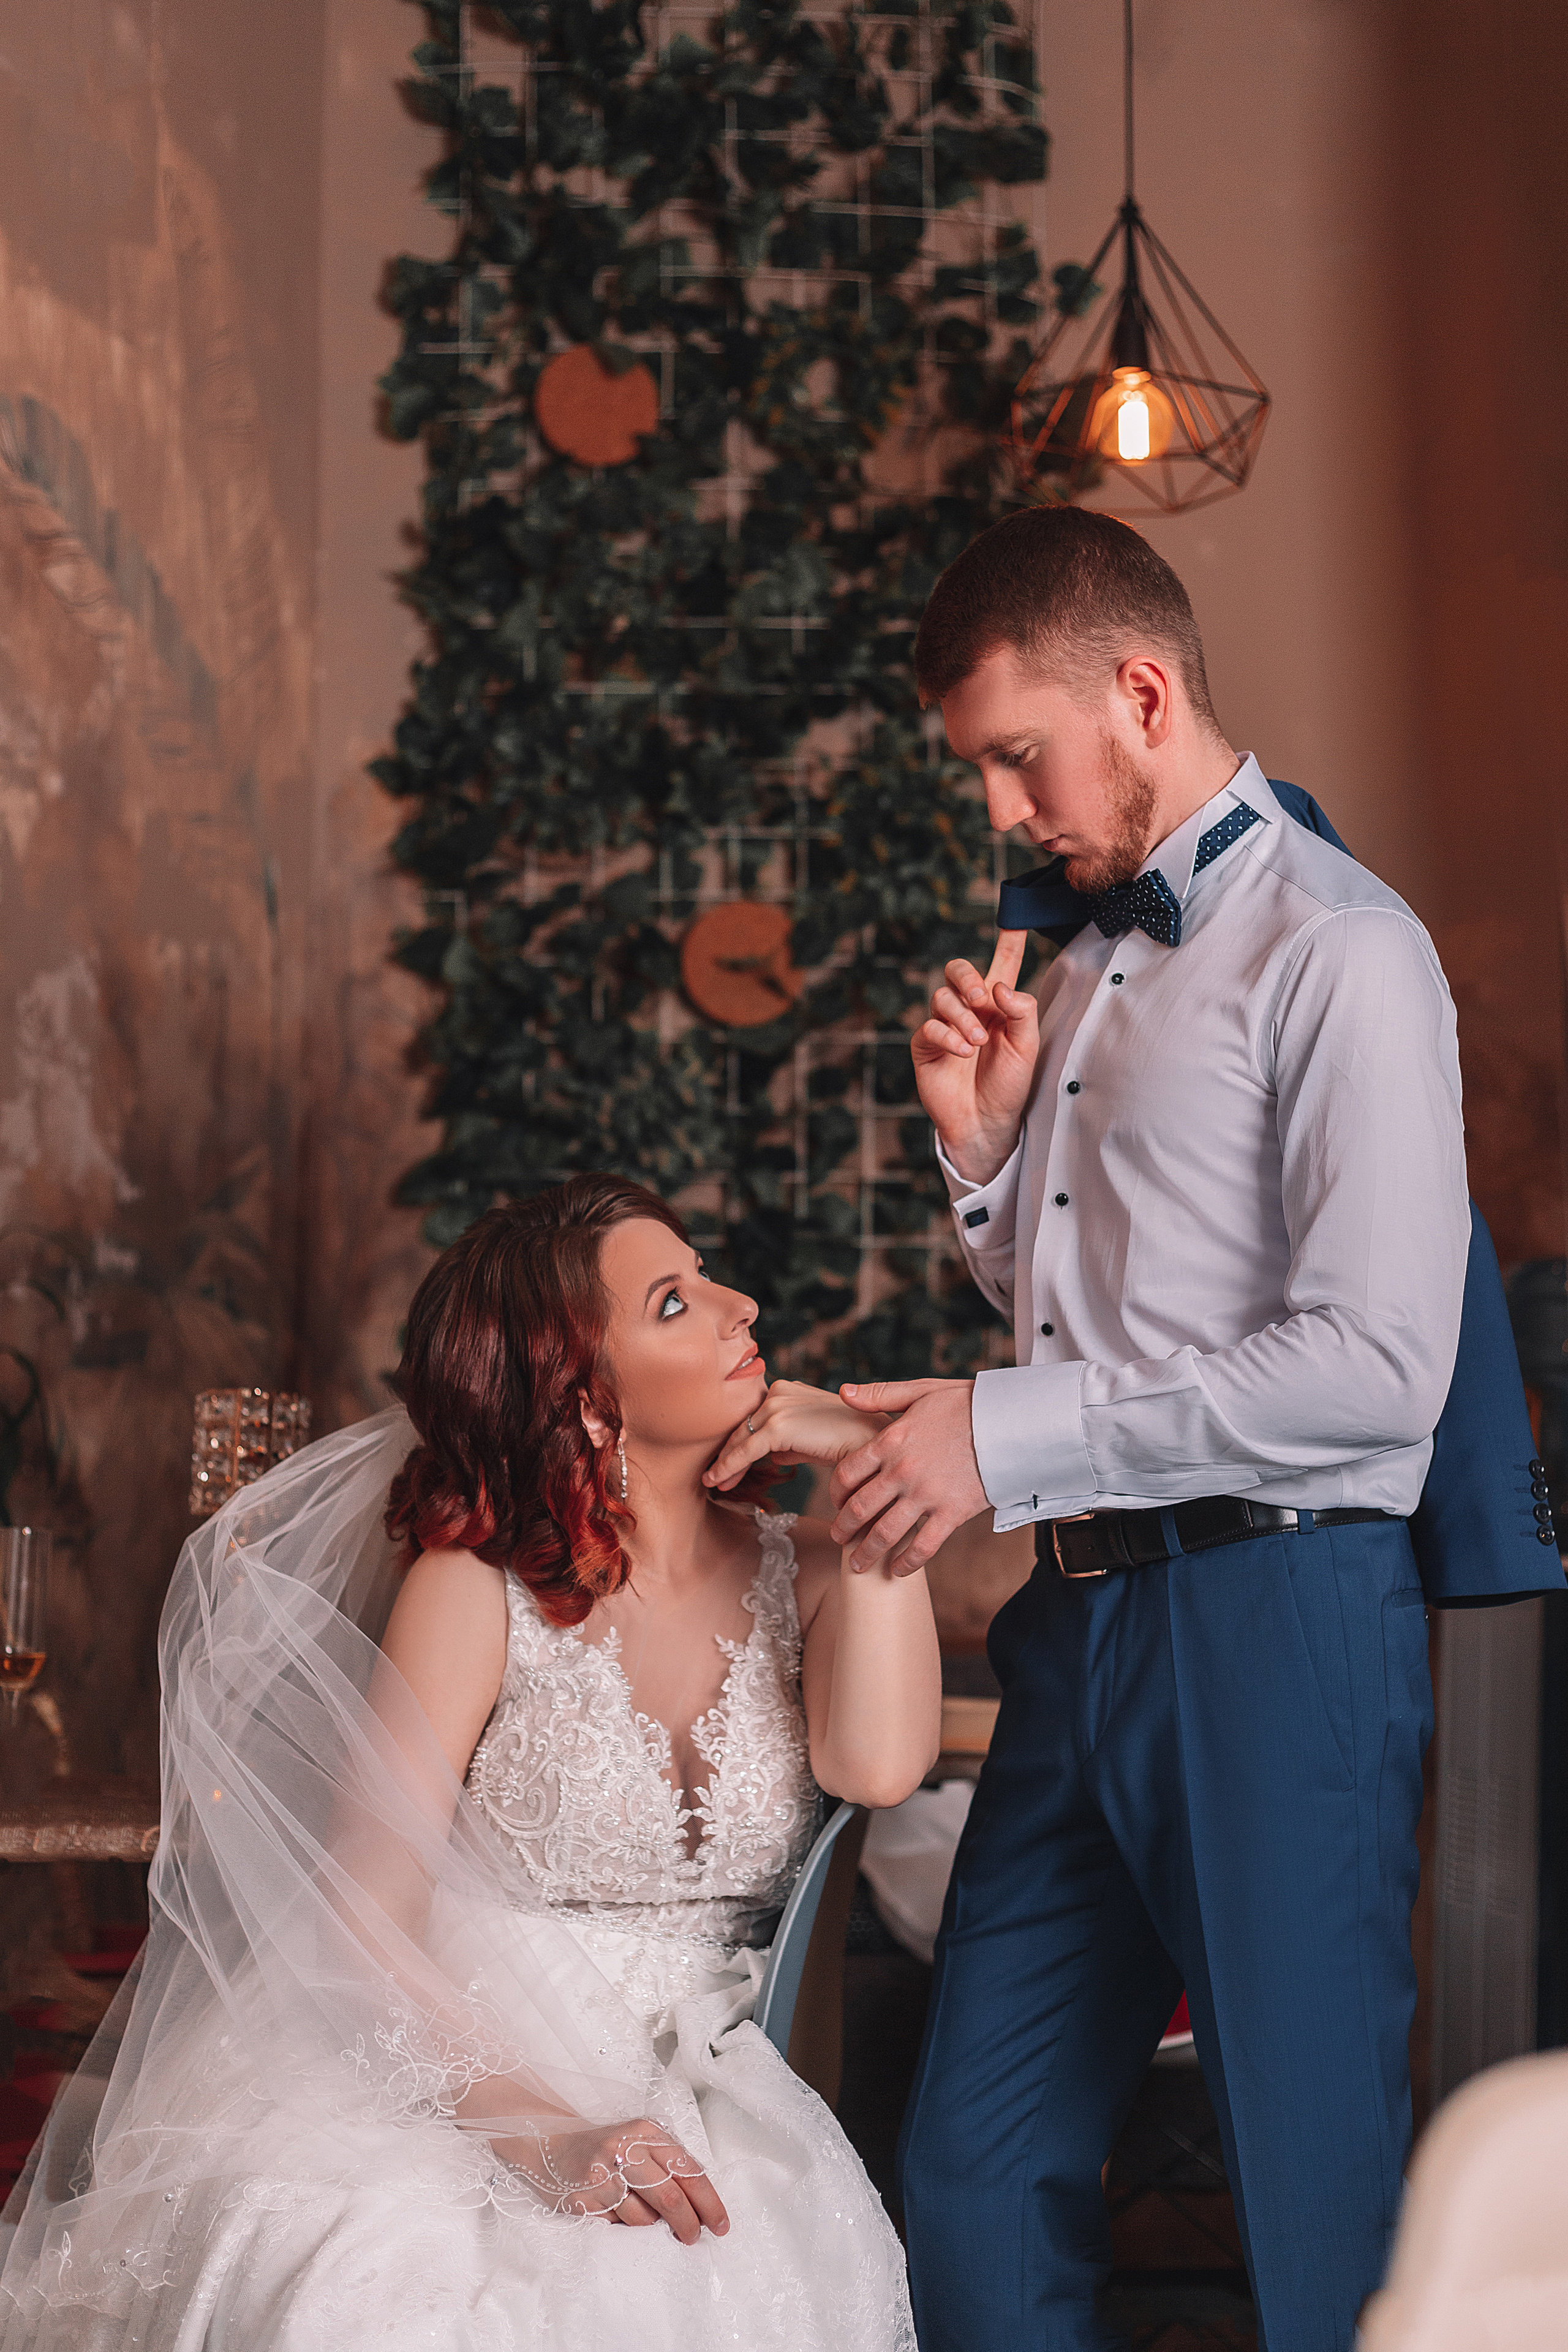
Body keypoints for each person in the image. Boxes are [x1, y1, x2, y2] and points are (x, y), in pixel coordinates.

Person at [714, 504, 1470, 2352]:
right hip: (1084, 1625)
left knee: (1313, 2203)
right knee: (970, 2180)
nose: (999, 812)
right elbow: (1106, 1325)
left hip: (1278, 1622)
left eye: (1013, 757)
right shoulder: (1076, 969)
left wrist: (1001, 1436)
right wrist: (986, 1161)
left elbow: (1379, 1371)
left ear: (1139, 692)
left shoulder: (1345, 952)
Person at [0, 1175, 938, 2352]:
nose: (739, 1305)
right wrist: (542, 2133)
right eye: (674, 1301)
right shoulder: (475, 1590)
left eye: (705, 1276)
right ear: (586, 1401)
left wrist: (874, 1482)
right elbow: (363, 1908)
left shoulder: (818, 1565)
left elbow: (879, 1768)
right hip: (466, 2055)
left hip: (719, 2064)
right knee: (387, 2292)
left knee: (704, 2278)